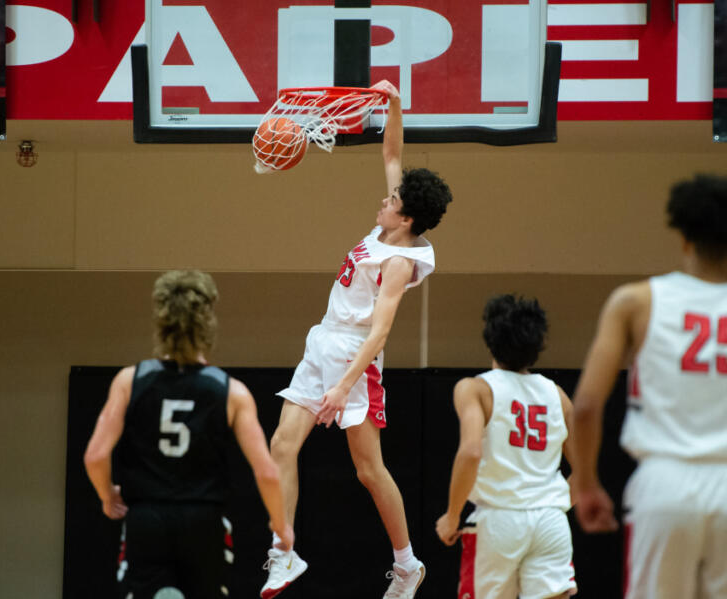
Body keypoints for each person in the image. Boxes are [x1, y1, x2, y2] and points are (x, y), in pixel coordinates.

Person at [260, 79, 452, 599]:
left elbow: (382, 330)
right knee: (281, 444)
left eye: (392, 200)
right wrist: (393, 102)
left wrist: (344, 386)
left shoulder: (398, 260)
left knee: (369, 470)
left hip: (354, 356)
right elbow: (393, 149)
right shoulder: (391, 228)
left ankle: (408, 564)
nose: (383, 199)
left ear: (407, 218)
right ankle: (284, 552)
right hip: (322, 340)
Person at [84, 270, 293, 599]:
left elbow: (95, 456)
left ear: (161, 322)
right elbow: (267, 472)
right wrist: (282, 527)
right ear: (208, 325)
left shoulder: (129, 380)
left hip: (146, 518)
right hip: (204, 521)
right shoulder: (231, 391)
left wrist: (107, 494)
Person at [571, 174, 727, 599]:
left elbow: (585, 405)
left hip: (666, 484)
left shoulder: (636, 301)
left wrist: (585, 483)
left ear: (683, 239)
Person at [436, 295, 577, 599]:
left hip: (498, 521)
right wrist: (553, 503)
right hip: (550, 521)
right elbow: (585, 472)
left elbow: (471, 452)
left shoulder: (475, 389)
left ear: (490, 340)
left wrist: (452, 515)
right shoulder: (559, 395)